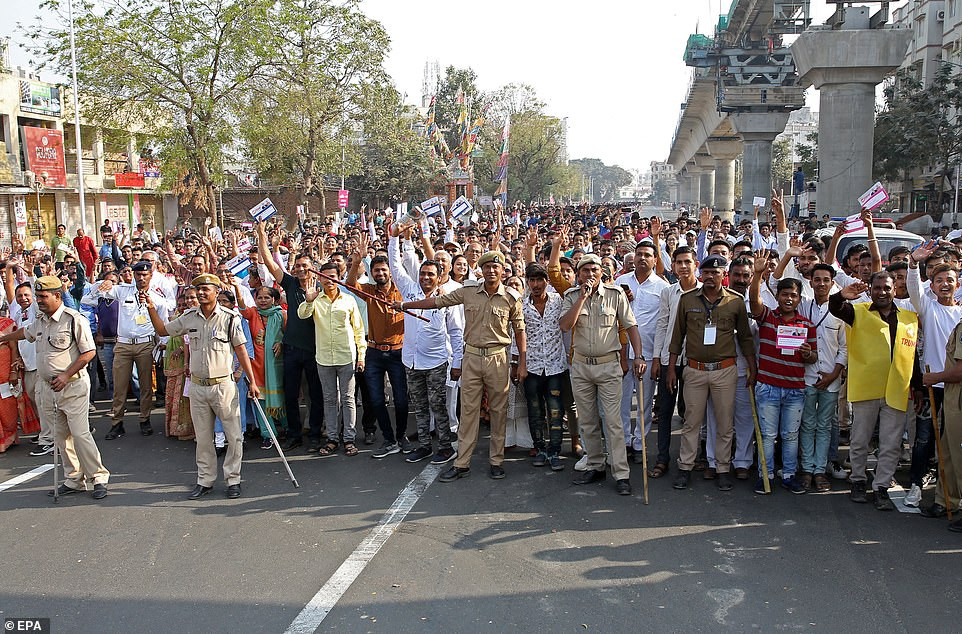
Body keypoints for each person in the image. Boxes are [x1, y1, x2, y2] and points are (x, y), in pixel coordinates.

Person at [395, 250, 526, 482]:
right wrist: (407, 305)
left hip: (498, 358)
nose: (491, 271)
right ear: (482, 270)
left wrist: (521, 362)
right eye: (487, 267)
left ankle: (496, 461)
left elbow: (519, 330)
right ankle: (461, 463)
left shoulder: (511, 297)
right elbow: (437, 301)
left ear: (502, 271)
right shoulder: (468, 292)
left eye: (496, 268)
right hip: (472, 357)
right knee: (468, 412)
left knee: (498, 412)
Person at [145, 273, 259, 500]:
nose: (201, 293)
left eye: (206, 289)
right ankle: (205, 480)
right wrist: (150, 309)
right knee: (204, 438)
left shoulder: (229, 318)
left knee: (234, 436)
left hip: (223, 385)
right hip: (197, 386)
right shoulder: (189, 318)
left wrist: (252, 381)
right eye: (198, 290)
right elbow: (162, 331)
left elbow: (242, 351)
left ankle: (233, 479)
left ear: (217, 291)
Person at [0, 276, 109, 499]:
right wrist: (4, 337)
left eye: (42, 296)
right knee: (61, 437)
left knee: (80, 434)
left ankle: (98, 477)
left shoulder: (73, 319)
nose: (38, 300)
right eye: (37, 296)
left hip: (72, 385)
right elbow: (25, 333)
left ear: (57, 296)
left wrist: (66, 374)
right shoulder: (41, 320)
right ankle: (74, 478)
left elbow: (89, 352)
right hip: (47, 388)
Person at [829, 272, 918, 511]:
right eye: (877, 288)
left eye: (886, 288)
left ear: (895, 290)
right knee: (859, 440)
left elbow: (913, 356)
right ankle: (858, 480)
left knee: (891, 443)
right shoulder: (858, 312)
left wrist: (917, 387)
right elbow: (836, 308)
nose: (882, 292)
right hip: (867, 387)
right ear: (870, 290)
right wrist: (841, 296)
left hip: (897, 389)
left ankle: (881, 487)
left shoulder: (909, 318)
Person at [668, 255, 756, 492]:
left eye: (715, 273)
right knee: (691, 422)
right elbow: (677, 336)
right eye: (706, 273)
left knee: (725, 423)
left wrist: (752, 367)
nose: (710, 277)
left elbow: (746, 338)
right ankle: (685, 466)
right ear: (701, 274)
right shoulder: (687, 300)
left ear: (723, 275)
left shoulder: (735, 301)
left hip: (724, 370)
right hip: (694, 370)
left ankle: (722, 468)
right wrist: (671, 369)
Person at [560, 254, 645, 496]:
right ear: (578, 274)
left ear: (602, 273)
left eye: (594, 270)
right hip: (581, 366)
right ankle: (595, 464)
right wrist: (583, 297)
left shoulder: (616, 294)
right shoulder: (572, 296)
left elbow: (630, 327)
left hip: (608, 366)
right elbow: (565, 325)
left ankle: (620, 472)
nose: (589, 274)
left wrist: (638, 356)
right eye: (584, 270)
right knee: (587, 421)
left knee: (613, 421)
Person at [387, 232, 463, 465]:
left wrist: (457, 363)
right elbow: (395, 265)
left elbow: (456, 332)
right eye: (423, 274)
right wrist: (393, 238)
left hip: (437, 362)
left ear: (440, 278)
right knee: (419, 407)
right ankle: (424, 446)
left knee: (438, 405)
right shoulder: (409, 290)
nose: (426, 278)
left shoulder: (447, 299)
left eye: (431, 274)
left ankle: (445, 447)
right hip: (411, 361)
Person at [749, 255, 818, 495]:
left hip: (795, 390)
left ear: (799, 299)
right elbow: (754, 302)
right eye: (785, 294)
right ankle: (764, 476)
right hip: (767, 386)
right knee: (767, 436)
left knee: (790, 436)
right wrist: (757, 274)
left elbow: (813, 358)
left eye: (793, 295)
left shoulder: (807, 325)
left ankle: (789, 475)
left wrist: (808, 353)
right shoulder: (768, 316)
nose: (789, 299)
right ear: (777, 296)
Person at [256, 221, 325, 453]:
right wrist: (261, 235)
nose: (301, 270)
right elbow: (268, 261)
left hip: (316, 350)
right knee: (291, 394)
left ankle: (315, 434)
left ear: (314, 267)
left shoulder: (324, 288)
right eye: (297, 266)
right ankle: (294, 434)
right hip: (292, 349)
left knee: (316, 396)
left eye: (305, 266)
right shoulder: (290, 283)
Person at [92, 260, 174, 439]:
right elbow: (94, 293)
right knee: (119, 385)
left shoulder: (157, 298)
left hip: (145, 343)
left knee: (145, 385)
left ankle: (145, 419)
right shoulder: (122, 290)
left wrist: (164, 342)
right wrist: (103, 283)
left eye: (145, 275)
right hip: (123, 344)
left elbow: (162, 322)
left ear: (151, 276)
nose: (141, 278)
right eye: (138, 275)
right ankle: (117, 422)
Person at [907, 241, 962, 508]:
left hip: (954, 385)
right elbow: (913, 290)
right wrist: (913, 263)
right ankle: (916, 484)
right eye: (939, 280)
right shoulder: (928, 309)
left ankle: (947, 495)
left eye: (949, 280)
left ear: (957, 284)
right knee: (925, 437)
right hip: (931, 385)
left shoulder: (960, 313)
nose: (944, 284)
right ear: (932, 285)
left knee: (951, 444)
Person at [347, 237, 410, 458]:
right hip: (373, 352)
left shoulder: (402, 291)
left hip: (398, 352)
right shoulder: (369, 291)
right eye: (376, 270)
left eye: (384, 270)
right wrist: (356, 262)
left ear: (390, 272)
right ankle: (389, 439)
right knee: (375, 400)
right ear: (372, 273)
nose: (380, 273)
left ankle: (401, 436)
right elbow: (350, 285)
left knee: (401, 400)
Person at [298, 262, 365, 457]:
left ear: (339, 278)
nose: (329, 281)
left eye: (333, 277)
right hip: (324, 358)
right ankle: (332, 438)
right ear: (319, 278)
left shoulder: (349, 300)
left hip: (347, 356)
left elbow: (358, 330)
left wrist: (361, 356)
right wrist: (309, 300)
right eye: (325, 277)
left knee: (348, 399)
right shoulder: (315, 300)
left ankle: (349, 439)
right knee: (329, 399)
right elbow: (302, 314)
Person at [614, 235, 668, 464]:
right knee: (621, 400)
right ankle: (624, 441)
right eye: (639, 255)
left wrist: (656, 358)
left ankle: (639, 444)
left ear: (655, 260)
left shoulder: (663, 287)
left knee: (644, 402)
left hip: (646, 353)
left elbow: (663, 324)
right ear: (632, 258)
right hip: (620, 352)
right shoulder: (620, 282)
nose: (642, 259)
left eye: (647, 255)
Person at [650, 246, 701, 479]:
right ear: (673, 266)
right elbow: (662, 325)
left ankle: (689, 458)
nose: (683, 266)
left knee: (691, 412)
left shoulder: (704, 291)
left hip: (695, 360)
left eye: (687, 262)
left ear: (695, 264)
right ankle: (662, 458)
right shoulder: (669, 292)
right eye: (678, 262)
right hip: (669, 360)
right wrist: (657, 358)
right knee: (665, 411)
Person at [798, 263, 847, 493]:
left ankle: (820, 470)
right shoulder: (802, 308)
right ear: (811, 282)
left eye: (825, 280)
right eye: (817, 279)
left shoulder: (840, 310)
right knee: (807, 425)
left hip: (831, 378)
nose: (821, 284)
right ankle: (807, 469)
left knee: (825, 426)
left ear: (832, 283)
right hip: (806, 377)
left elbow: (845, 349)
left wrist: (834, 374)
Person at [519, 263, 567, 470]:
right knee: (535, 410)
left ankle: (555, 451)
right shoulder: (521, 305)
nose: (536, 285)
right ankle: (539, 449)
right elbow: (517, 336)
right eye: (532, 280)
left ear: (547, 281)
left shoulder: (559, 301)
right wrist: (518, 364)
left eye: (540, 280)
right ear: (527, 282)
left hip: (556, 366)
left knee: (556, 411)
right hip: (531, 366)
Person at [235, 285, 287, 451]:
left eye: (266, 297)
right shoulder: (253, 314)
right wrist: (236, 288)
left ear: (274, 299)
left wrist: (281, 343)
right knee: (261, 400)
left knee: (281, 400)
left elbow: (289, 335)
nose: (263, 301)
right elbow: (242, 307)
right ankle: (268, 435)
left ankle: (287, 428)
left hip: (276, 365)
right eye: (259, 298)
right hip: (256, 365)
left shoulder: (282, 315)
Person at [921, 318, 962, 530]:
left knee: (960, 456)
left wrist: (934, 377)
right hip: (953, 399)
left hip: (959, 400)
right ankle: (946, 500)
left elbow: (960, 370)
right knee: (947, 453)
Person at [163, 287, 197, 440]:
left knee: (186, 397)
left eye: (190, 300)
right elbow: (164, 332)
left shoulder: (195, 317)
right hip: (174, 362)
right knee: (174, 393)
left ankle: (188, 428)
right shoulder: (178, 318)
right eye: (182, 303)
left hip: (189, 363)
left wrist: (182, 351)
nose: (185, 305)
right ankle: (175, 426)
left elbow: (189, 341)